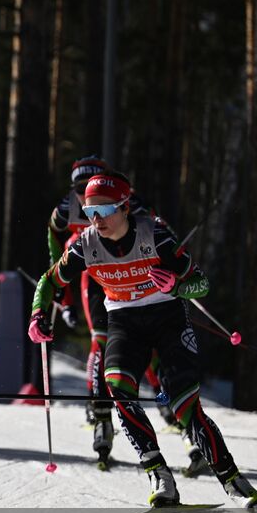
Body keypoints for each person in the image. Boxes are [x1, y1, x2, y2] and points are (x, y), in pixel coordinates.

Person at [28, 172, 257, 509]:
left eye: (105, 210)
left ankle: (231, 480)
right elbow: (48, 281)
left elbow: (201, 284)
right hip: (123, 320)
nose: (96, 219)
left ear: (124, 207)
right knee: (119, 388)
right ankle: (158, 474)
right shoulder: (85, 245)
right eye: (89, 211)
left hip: (167, 317)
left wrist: (176, 286)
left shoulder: (155, 235)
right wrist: (38, 315)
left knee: (184, 404)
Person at [46, 155, 177, 468]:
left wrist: (172, 271)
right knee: (100, 338)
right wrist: (61, 289)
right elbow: (53, 236)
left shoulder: (130, 201)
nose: (85, 196)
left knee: (145, 343)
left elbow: (159, 230)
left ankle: (167, 403)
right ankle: (101, 415)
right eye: (79, 189)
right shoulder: (67, 208)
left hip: (133, 276)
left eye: (90, 188)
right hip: (94, 276)